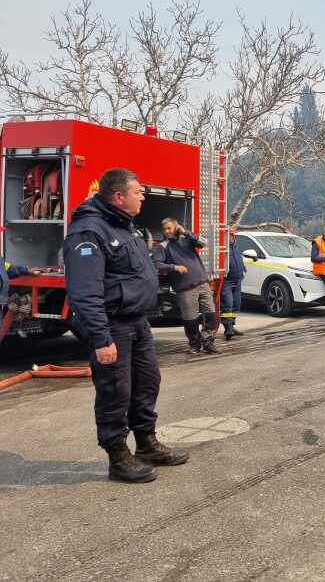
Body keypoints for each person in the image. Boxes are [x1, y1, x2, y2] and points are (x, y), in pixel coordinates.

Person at [63, 167, 188, 484]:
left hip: (137, 322)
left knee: (147, 382)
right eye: (138, 192)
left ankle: (146, 444)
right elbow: (85, 292)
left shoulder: (123, 227)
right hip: (112, 325)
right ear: (119, 196)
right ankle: (118, 456)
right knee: (115, 390)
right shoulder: (89, 232)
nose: (143, 196)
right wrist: (100, 338)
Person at [154, 218, 219, 354]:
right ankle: (195, 344)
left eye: (169, 228)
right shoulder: (162, 246)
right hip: (185, 289)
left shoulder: (187, 239)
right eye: (164, 229)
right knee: (191, 319)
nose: (167, 231)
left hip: (203, 283)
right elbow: (156, 264)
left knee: (211, 315)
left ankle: (208, 342)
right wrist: (174, 267)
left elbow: (204, 243)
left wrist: (185, 232)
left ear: (176, 227)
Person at [220, 226, 246, 340]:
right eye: (231, 235)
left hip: (237, 280)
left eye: (233, 235)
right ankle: (228, 328)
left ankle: (231, 325)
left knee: (236, 304)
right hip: (227, 281)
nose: (233, 237)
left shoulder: (235, 246)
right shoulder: (222, 248)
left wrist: (243, 269)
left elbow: (238, 259)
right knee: (227, 305)